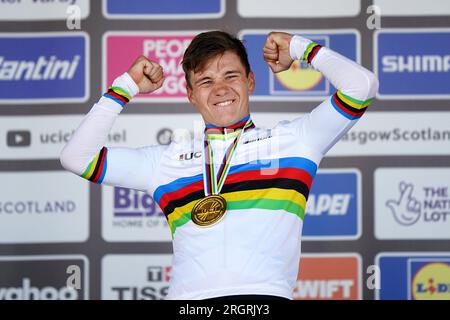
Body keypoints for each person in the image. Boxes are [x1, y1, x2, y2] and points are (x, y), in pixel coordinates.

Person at [60, 30, 378, 300]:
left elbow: (361, 86)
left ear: (250, 81)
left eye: (231, 76)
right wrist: (127, 86)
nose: (221, 89)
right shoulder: (165, 161)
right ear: (190, 95)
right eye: (206, 81)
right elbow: (77, 158)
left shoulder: (296, 140)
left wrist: (298, 47)